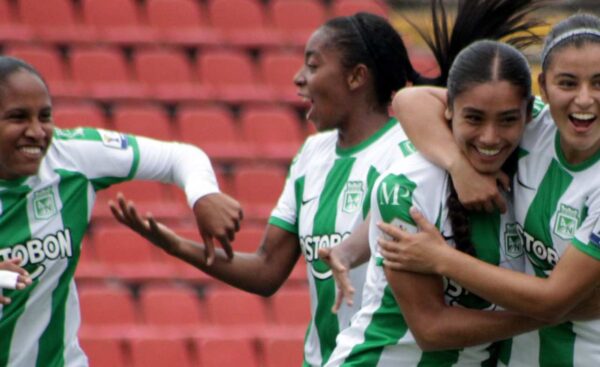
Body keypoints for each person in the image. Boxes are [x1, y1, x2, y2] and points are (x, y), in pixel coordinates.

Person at [111, 1, 547, 366]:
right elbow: (267, 270)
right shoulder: (311, 156)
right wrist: (179, 248)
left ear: (357, 77)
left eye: (313, 65)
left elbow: (397, 180)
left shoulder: (415, 150)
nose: (299, 78)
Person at [379, 12, 600, 367]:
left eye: (599, 83)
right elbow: (410, 101)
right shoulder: (535, 124)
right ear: (543, 88)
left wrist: (442, 259)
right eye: (568, 83)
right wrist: (459, 167)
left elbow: (552, 300)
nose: (585, 99)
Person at [0, 56, 242, 366]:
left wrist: (203, 195)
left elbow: (178, 157)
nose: (37, 131)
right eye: (18, 118)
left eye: (45, 116)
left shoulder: (71, 156)